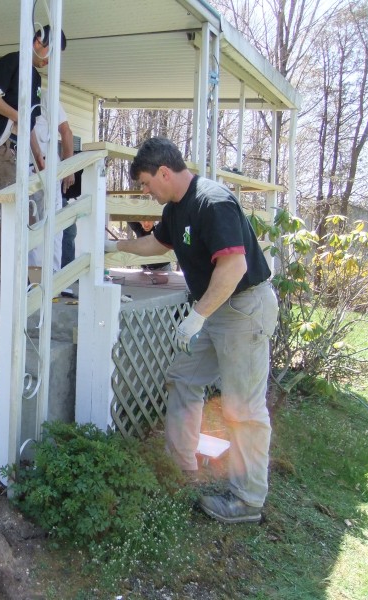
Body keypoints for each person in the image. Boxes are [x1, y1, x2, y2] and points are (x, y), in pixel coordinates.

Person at [105, 137, 278, 524]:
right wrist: (115, 248)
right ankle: (181, 468)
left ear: (164, 173)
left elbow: (232, 268)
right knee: (183, 378)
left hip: (242, 309)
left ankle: (247, 500)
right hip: (215, 310)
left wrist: (197, 315)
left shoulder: (211, 202)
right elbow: (158, 243)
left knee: (243, 408)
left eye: (148, 184)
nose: (147, 193)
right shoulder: (177, 207)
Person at [0, 25, 67, 297]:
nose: (50, 60)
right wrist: (17, 116)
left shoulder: (35, 78)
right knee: (19, 211)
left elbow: (27, 125)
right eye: (51, 52)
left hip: (16, 152)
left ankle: (13, 277)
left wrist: (39, 157)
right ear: (39, 40)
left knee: (23, 211)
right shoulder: (13, 61)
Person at [30, 98, 75, 296]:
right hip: (26, 172)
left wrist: (68, 167)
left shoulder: (47, 97)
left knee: (55, 226)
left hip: (51, 171)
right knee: (33, 227)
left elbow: (66, 131)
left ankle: (54, 280)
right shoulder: (15, 95)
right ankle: (35, 282)